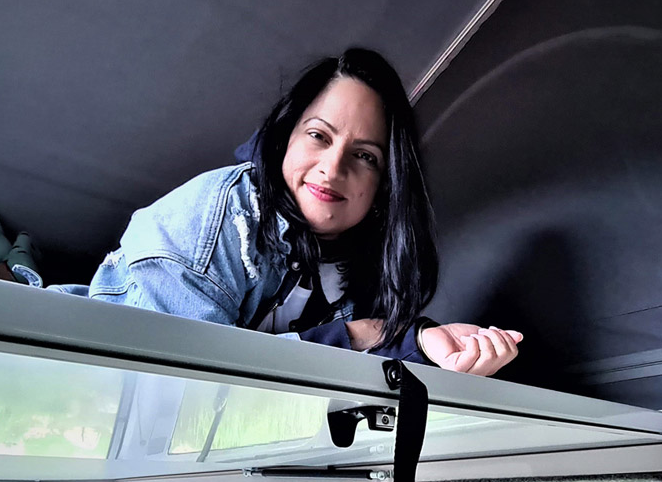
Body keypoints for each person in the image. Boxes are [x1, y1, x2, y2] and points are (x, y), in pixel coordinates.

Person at [80, 48, 522, 376]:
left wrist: (426, 345)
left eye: (365, 156)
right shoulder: (217, 216)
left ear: (385, 185)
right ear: (285, 136)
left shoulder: (361, 261)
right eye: (318, 135)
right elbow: (188, 386)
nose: (333, 168)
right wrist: (363, 333)